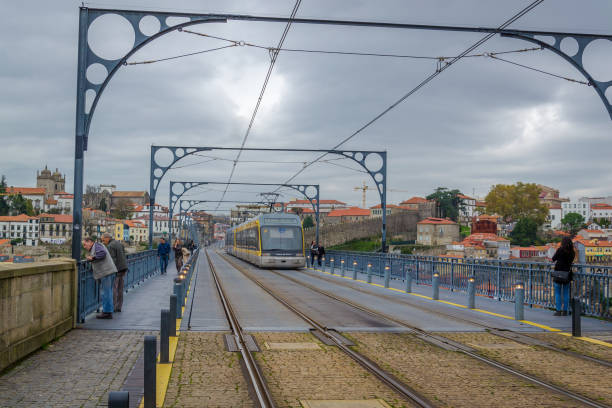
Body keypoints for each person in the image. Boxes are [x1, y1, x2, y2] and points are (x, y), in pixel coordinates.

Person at [83, 237, 117, 319]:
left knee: (106, 293)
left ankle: (107, 312)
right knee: (108, 292)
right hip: (109, 272)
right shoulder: (96, 246)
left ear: (90, 242)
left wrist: (92, 258)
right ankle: (108, 311)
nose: (84, 246)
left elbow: (103, 253)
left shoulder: (97, 246)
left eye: (85, 244)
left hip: (106, 272)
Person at [102, 232, 128, 313]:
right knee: (120, 289)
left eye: (103, 240)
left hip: (116, 269)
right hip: (123, 268)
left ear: (107, 238)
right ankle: (119, 306)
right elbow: (123, 255)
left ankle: (112, 307)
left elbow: (112, 259)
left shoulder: (110, 246)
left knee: (114, 288)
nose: (103, 242)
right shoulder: (118, 243)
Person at [551, 236, 575, 316]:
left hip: (558, 273)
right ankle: (565, 311)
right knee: (566, 293)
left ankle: (558, 311)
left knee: (557, 293)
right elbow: (571, 261)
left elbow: (553, 259)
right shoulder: (572, 252)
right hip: (567, 274)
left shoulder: (560, 250)